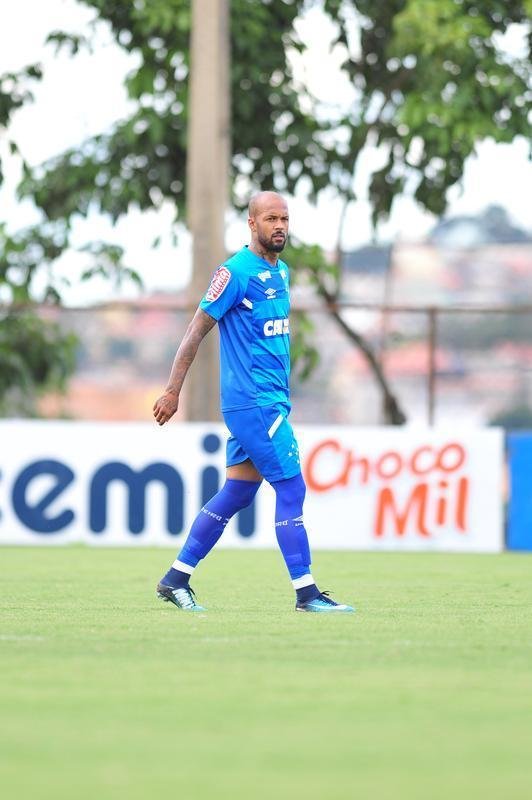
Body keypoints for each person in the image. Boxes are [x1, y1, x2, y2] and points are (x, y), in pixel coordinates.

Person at [153, 191, 354, 613]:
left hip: (270, 403)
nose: (279, 226)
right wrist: (173, 390)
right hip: (255, 404)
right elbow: (195, 331)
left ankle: (175, 579)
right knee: (292, 487)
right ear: (251, 224)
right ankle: (306, 594)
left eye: (284, 218)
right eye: (270, 219)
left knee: (238, 492)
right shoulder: (235, 273)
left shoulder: (280, 273)